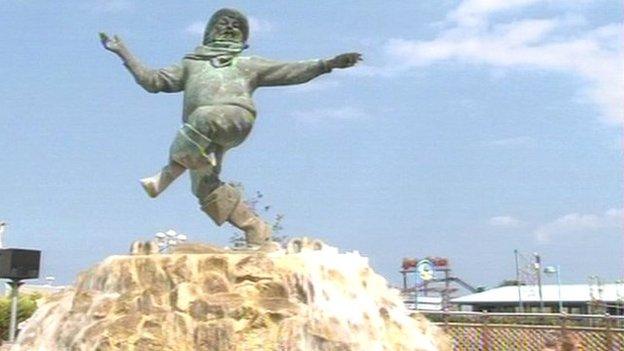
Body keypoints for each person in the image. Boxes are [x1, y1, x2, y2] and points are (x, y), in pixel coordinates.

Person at [100, 8, 362, 247]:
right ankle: (255, 229)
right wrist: (124, 53)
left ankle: (166, 176)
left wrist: (326, 64)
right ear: (209, 32)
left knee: (203, 116)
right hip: (199, 134)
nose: (229, 28)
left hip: (234, 118)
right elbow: (153, 81)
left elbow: (290, 70)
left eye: (236, 26)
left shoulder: (249, 63)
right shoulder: (191, 64)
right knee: (203, 187)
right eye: (222, 24)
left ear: (243, 37)